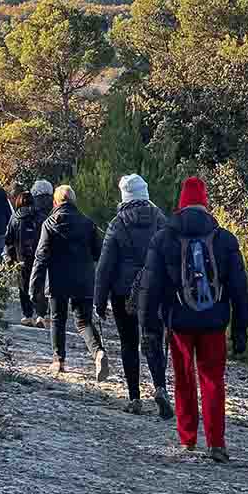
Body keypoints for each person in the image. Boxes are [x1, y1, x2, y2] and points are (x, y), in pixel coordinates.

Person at [139, 177, 248, 462]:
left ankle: (188, 438)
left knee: (184, 378)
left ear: (180, 202)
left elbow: (150, 286)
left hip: (178, 321)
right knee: (213, 379)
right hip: (214, 321)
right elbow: (239, 287)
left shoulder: (163, 238)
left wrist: (149, 326)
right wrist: (241, 326)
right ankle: (216, 443)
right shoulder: (225, 239)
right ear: (205, 202)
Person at [95, 174, 173, 418]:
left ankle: (134, 398)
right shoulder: (160, 220)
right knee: (153, 339)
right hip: (154, 290)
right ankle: (160, 387)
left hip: (123, 293)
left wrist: (99, 300)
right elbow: (171, 256)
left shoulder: (118, 224)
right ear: (145, 193)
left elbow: (105, 266)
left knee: (128, 343)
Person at [30, 185, 109, 381]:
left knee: (58, 319)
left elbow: (41, 257)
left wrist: (35, 285)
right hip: (84, 279)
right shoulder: (88, 223)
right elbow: (99, 252)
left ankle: (59, 361)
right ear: (74, 201)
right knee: (84, 322)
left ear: (55, 202)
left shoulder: (49, 224)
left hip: (58, 280)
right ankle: (98, 352)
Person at [5, 191, 48, 328]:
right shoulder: (41, 217)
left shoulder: (15, 218)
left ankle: (27, 315)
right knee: (39, 285)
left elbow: (8, 239)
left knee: (23, 286)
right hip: (39, 257)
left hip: (21, 258)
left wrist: (11, 258)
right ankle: (41, 315)